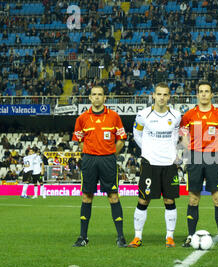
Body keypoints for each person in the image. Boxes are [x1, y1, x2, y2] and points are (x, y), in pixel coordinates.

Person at [72, 85, 128, 247]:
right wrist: (90, 153)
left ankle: (120, 237)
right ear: (89, 98)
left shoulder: (114, 117)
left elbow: (121, 139)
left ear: (105, 98)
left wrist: (111, 155)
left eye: (100, 95)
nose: (97, 97)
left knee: (113, 196)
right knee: (86, 196)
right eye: (94, 94)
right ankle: (83, 237)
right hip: (89, 160)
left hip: (108, 161)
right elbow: (80, 142)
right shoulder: (82, 118)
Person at [128, 82, 181, 248]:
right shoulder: (143, 114)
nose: (162, 98)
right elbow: (136, 133)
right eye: (159, 94)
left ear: (169, 96)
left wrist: (172, 152)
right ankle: (137, 237)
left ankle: (170, 237)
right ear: (153, 95)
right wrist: (148, 149)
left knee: (169, 200)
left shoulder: (176, 115)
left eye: (165, 95)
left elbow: (176, 135)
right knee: (143, 200)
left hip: (169, 163)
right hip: (150, 163)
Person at [179, 80, 218, 248]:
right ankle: (189, 235)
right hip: (195, 158)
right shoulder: (188, 115)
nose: (203, 94)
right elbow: (183, 136)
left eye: (206, 91)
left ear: (212, 95)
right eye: (200, 91)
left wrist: (217, 149)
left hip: (214, 158)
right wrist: (191, 150)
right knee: (193, 199)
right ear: (197, 94)